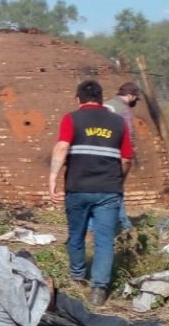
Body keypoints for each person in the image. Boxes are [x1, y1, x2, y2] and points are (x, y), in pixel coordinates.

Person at [48, 79, 133, 306]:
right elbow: (126, 159)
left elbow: (62, 147)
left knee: (76, 235)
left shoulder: (72, 119)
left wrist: (53, 178)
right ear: (101, 99)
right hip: (108, 190)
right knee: (104, 240)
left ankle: (77, 277)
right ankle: (98, 290)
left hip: (77, 188)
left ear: (78, 99)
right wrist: (118, 181)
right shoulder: (118, 122)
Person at [104, 82, 142, 230]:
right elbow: (129, 134)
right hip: (116, 153)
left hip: (98, 153)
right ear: (131, 95)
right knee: (116, 188)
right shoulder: (124, 110)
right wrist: (129, 152)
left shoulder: (105, 105)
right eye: (135, 97)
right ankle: (123, 225)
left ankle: (93, 225)